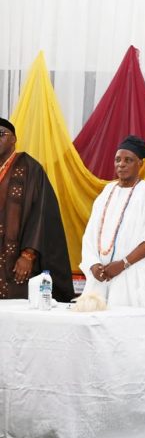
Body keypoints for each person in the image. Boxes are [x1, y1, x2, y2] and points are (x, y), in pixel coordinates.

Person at [80, 135, 145, 308]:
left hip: (134, 278)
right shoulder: (107, 192)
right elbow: (90, 234)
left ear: (140, 164)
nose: (121, 164)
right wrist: (93, 264)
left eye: (128, 160)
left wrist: (123, 264)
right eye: (118, 160)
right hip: (101, 280)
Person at [0, 118, 74, 302]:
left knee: (16, 310)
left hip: (16, 259)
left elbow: (41, 213)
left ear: (13, 139)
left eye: (1, 134)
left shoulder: (30, 168)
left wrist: (28, 255)